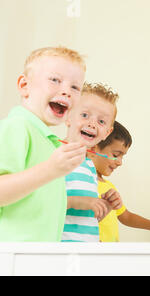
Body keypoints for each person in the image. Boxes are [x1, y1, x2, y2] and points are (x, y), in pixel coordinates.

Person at [0, 46, 87, 242]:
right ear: (24, 86)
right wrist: (51, 169)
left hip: (39, 257)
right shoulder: (16, 127)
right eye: (55, 80)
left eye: (75, 87)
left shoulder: (48, 142)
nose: (66, 91)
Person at [61, 82, 120, 242]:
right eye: (85, 115)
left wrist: (104, 207)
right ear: (68, 117)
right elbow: (42, 202)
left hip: (87, 250)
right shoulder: (55, 156)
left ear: (107, 132)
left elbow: (84, 219)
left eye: (101, 122)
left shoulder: (88, 167)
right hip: (61, 251)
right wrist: (79, 201)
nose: (92, 124)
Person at [90, 121, 150, 242]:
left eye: (122, 156)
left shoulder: (109, 187)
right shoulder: (84, 184)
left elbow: (125, 217)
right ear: (93, 148)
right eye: (116, 154)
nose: (120, 162)